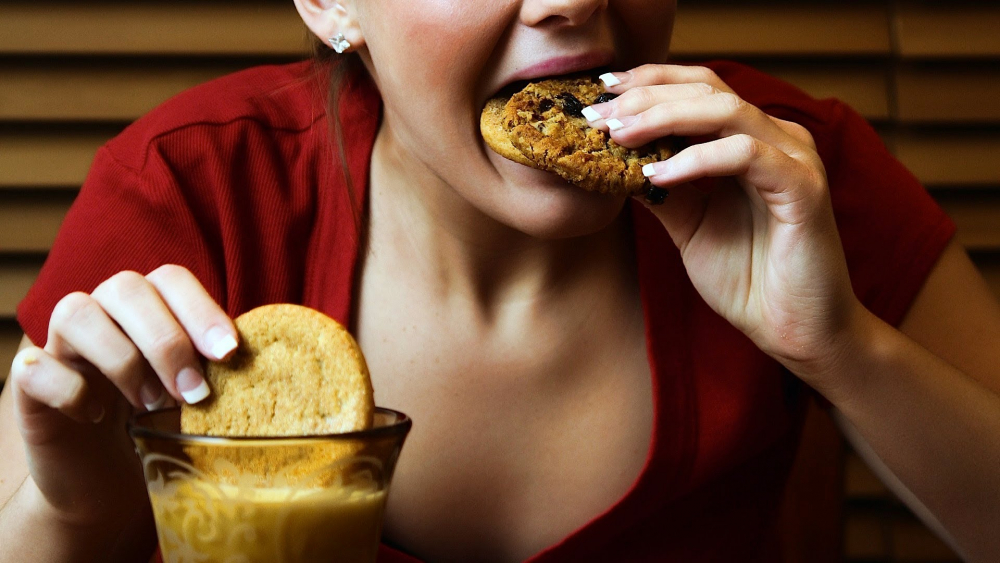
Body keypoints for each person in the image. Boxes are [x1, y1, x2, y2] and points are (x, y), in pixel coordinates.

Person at [2, 0, 999, 561]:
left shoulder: (786, 174)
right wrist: (77, 517)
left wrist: (840, 348)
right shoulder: (196, 192)